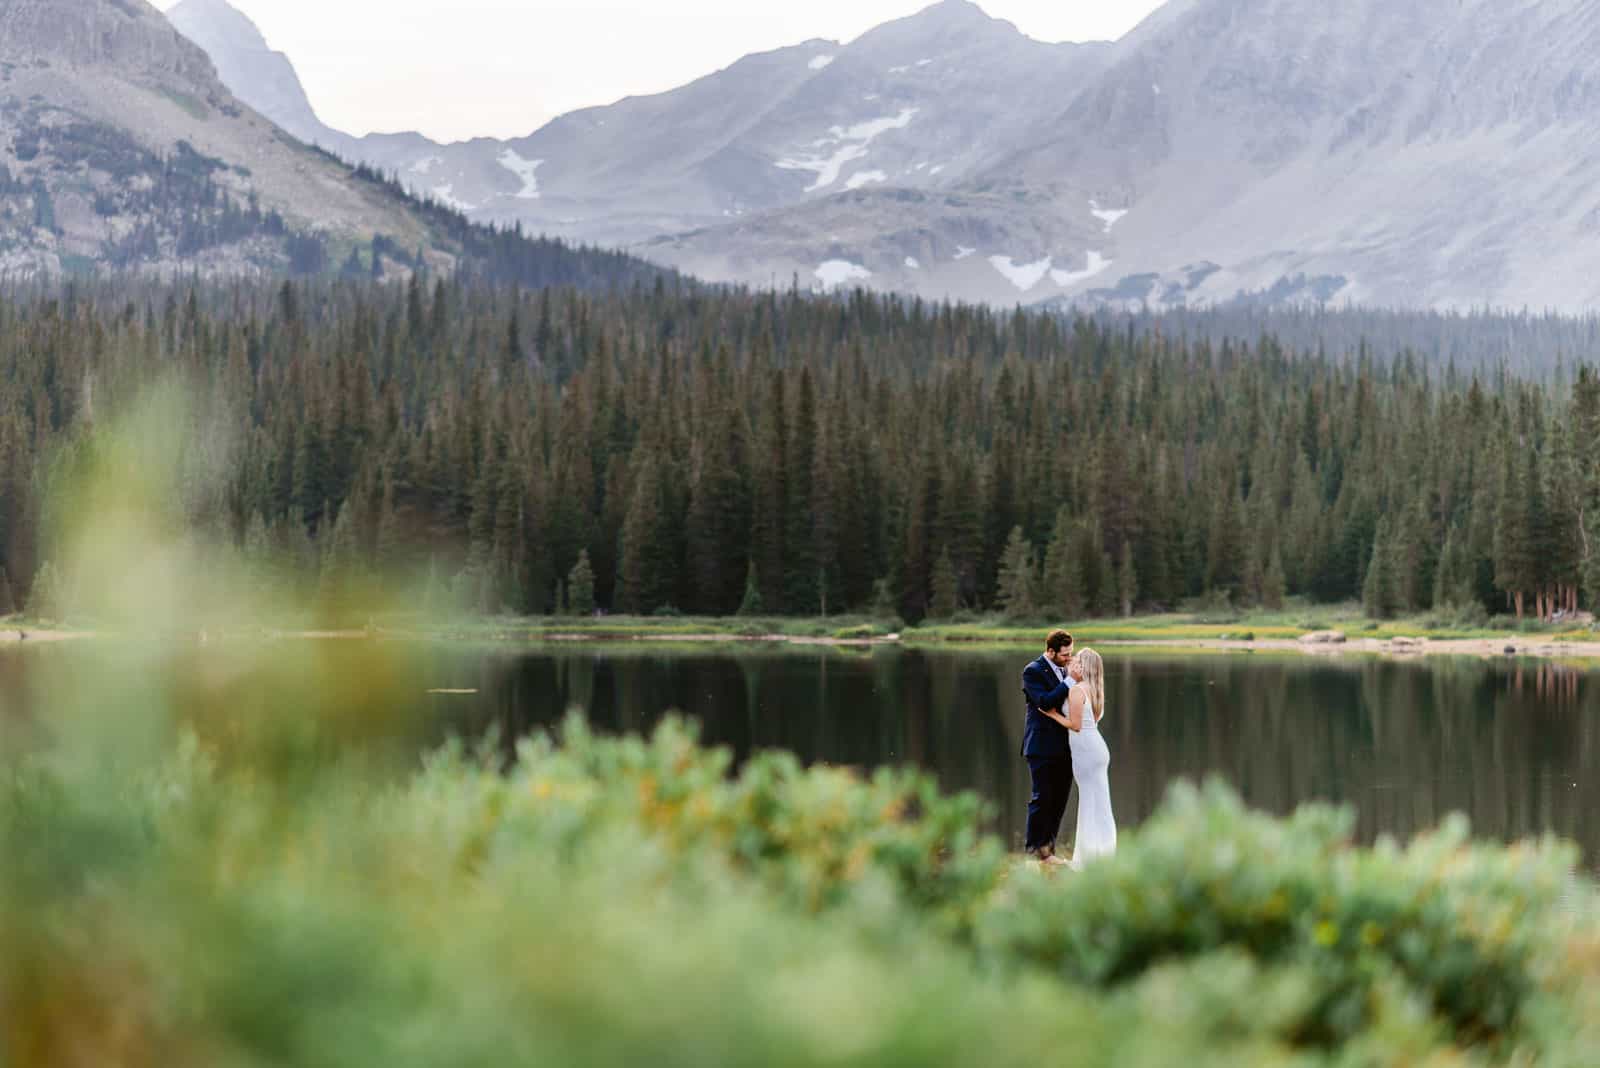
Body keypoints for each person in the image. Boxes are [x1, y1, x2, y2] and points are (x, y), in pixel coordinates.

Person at [1043, 648, 1116, 867]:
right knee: (1100, 802)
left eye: (1077, 660)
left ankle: (1088, 858)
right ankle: (1102, 853)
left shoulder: (1077, 691)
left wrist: (1052, 714)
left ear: (1085, 666)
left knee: (1089, 801)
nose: (1073, 661)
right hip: (1097, 748)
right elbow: (1089, 721)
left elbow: (1075, 725)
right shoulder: (1096, 690)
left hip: (1086, 750)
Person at [1020, 629, 1076, 865]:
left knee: (1060, 799)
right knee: (1042, 799)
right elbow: (1044, 701)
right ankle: (1033, 851)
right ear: (1050, 651)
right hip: (1041, 746)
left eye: (1071, 653)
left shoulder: (1066, 669)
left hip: (1065, 747)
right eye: (1065, 655)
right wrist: (1071, 681)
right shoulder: (1032, 671)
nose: (1069, 659)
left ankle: (1048, 851)